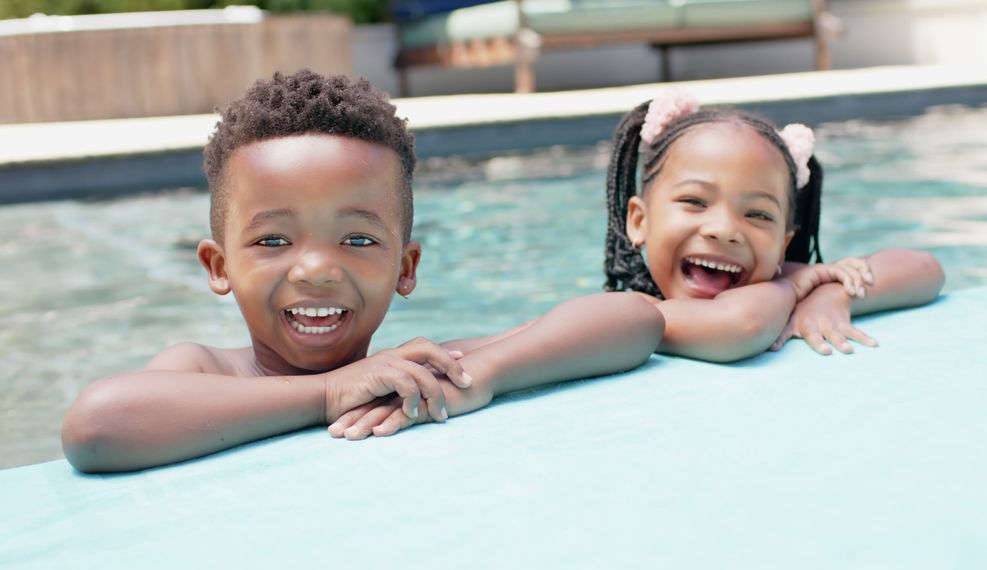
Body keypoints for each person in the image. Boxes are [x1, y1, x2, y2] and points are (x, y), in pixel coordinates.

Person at [62, 70, 664, 473]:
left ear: (406, 268)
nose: (319, 269)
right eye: (273, 239)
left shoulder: (415, 371)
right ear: (218, 267)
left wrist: (485, 374)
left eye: (358, 238)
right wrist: (328, 394)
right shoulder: (203, 370)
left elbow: (633, 318)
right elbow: (96, 427)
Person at [603, 87, 944, 362]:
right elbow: (741, 325)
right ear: (639, 222)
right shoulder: (632, 314)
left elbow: (925, 269)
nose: (723, 229)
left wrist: (835, 294)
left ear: (782, 243)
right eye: (695, 202)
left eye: (757, 215)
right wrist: (794, 290)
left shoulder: (789, 277)